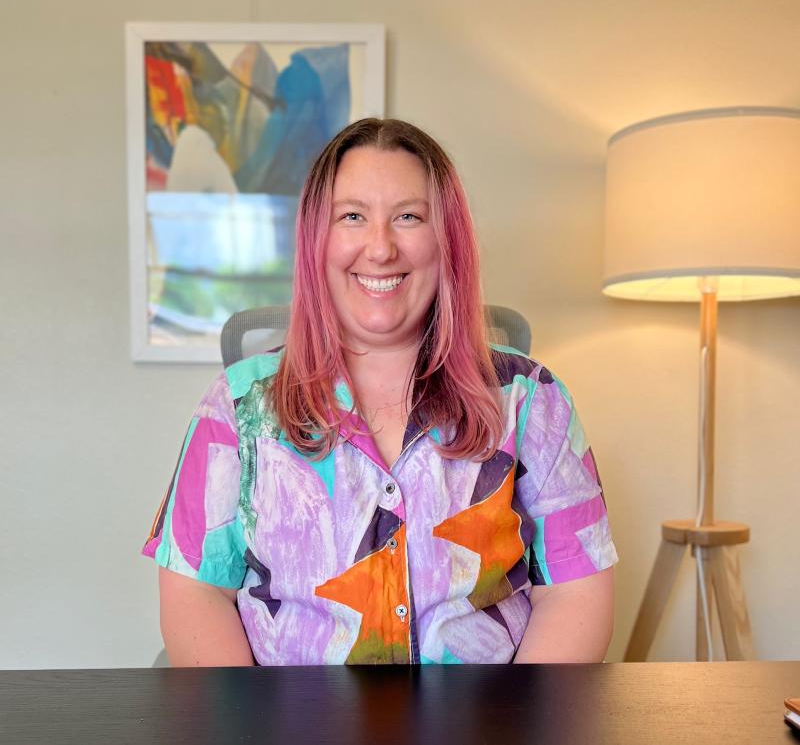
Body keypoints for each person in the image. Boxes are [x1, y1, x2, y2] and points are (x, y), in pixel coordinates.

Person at [143, 118, 618, 667]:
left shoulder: (533, 401)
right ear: (318, 241)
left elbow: (575, 592)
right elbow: (195, 594)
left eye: (409, 217)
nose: (380, 248)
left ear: (447, 241)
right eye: (352, 217)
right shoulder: (236, 405)